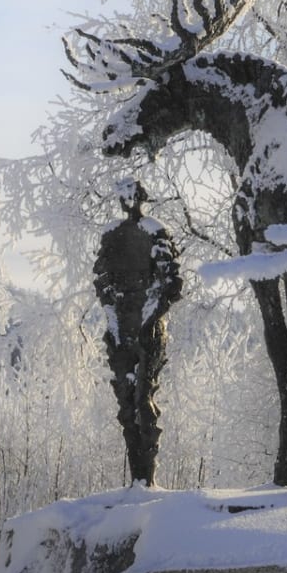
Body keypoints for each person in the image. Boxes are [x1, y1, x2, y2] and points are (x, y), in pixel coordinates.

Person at [94, 179, 182, 486]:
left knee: (144, 401)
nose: (127, 201)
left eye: (131, 195)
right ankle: (137, 481)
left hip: (148, 330)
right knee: (126, 406)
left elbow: (170, 284)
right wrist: (115, 323)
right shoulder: (111, 235)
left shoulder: (156, 232)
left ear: (141, 197)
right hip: (120, 331)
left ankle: (147, 479)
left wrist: (148, 319)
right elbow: (102, 283)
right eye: (122, 196)